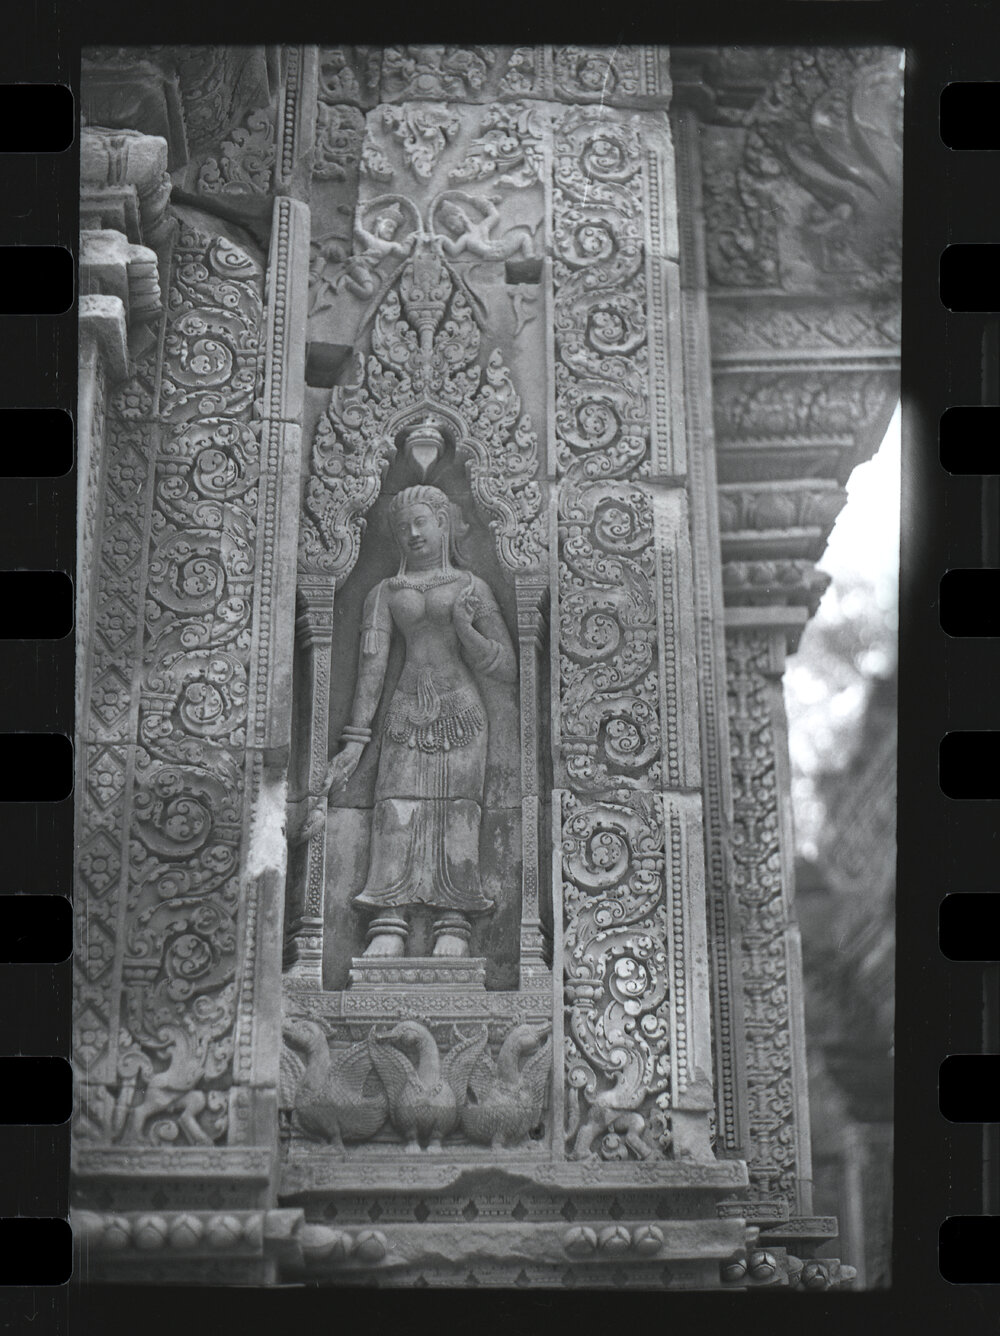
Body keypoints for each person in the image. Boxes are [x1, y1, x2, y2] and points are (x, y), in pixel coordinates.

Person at [325, 484, 517, 958]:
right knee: (393, 809)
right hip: (406, 711)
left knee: (459, 811)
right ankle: (388, 921)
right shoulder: (385, 594)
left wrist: (466, 628)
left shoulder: (472, 588)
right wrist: (355, 741)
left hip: (462, 711)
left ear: (443, 524)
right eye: (403, 527)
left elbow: (506, 666)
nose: (412, 533)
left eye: (421, 522)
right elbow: (371, 669)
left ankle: (454, 923)